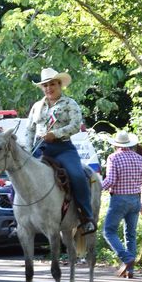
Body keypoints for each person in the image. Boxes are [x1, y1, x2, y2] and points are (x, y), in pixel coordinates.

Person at [24, 67, 96, 235]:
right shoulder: (36, 107)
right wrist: (27, 151)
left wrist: (55, 134)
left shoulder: (70, 103)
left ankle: (86, 217)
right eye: (45, 85)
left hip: (63, 148)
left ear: (59, 85)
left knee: (77, 175)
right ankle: (21, 217)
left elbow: (76, 125)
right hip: (40, 148)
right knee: (20, 172)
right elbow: (30, 130)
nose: (49, 88)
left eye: (52, 84)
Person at [102, 131, 142, 278]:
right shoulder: (140, 159)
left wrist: (96, 189)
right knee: (130, 234)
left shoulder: (113, 158)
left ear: (116, 144)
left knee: (108, 231)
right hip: (135, 200)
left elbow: (110, 180)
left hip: (119, 199)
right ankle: (130, 271)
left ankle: (126, 258)